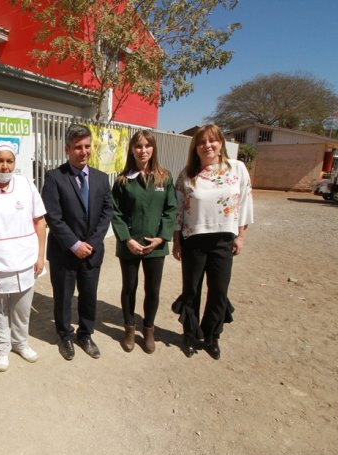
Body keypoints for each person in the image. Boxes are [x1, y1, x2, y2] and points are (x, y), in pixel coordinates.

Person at [171, 124, 253, 359]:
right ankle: (189, 334)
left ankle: (212, 336)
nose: (207, 145)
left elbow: (245, 203)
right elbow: (178, 211)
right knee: (191, 290)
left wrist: (241, 236)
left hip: (223, 240)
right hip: (193, 240)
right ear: (195, 148)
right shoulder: (187, 174)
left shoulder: (237, 169)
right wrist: (176, 241)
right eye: (201, 142)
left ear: (221, 143)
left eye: (212, 141)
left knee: (218, 291)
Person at [0, 142, 47, 372]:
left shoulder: (25, 185)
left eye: (9, 161)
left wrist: (41, 255)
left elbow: (39, 221)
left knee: (22, 308)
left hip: (26, 259)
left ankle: (20, 343)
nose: (5, 166)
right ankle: (2, 348)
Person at [41, 124, 113, 360]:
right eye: (78, 147)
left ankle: (85, 333)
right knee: (62, 297)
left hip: (92, 252)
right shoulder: (54, 178)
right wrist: (75, 244)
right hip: (64, 252)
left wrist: (90, 243)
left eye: (87, 146)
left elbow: (106, 213)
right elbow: (53, 215)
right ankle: (65, 336)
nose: (83, 152)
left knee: (89, 295)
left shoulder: (102, 179)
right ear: (67, 149)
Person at [111, 130, 177, 354]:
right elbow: (115, 212)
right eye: (138, 146)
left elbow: (171, 209)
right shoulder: (122, 180)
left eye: (147, 146)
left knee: (153, 289)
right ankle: (129, 329)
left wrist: (162, 237)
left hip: (155, 246)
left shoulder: (164, 178)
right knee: (129, 287)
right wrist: (126, 239)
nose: (143, 150)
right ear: (132, 150)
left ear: (153, 149)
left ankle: (148, 330)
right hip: (129, 244)